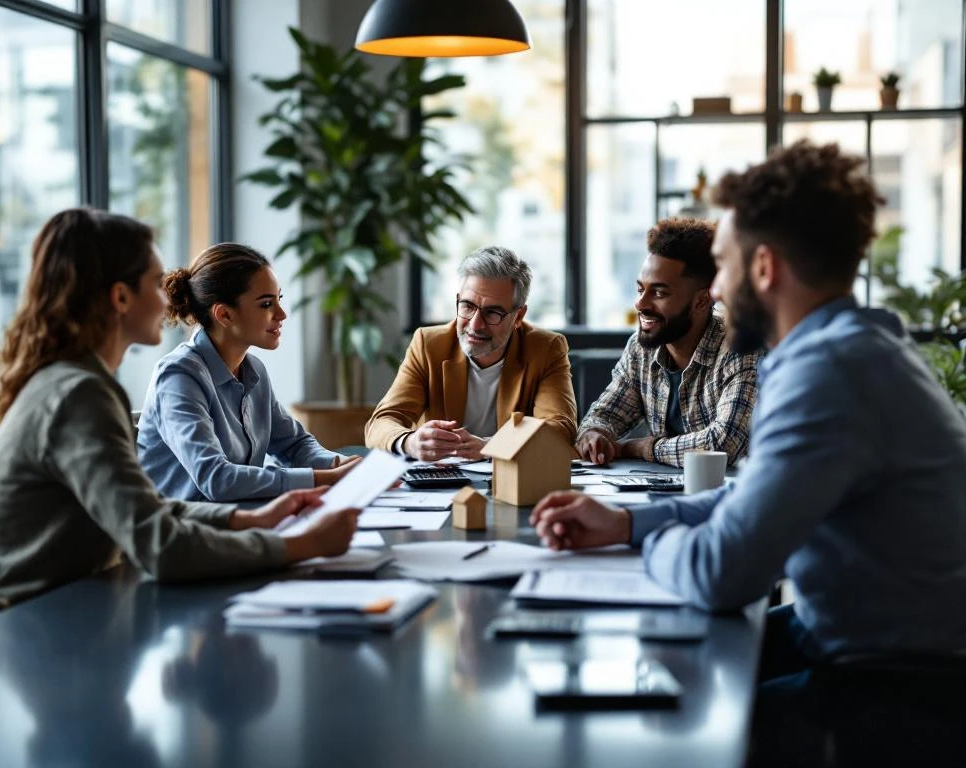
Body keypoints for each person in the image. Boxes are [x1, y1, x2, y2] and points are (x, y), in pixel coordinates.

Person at [531, 142, 966, 763]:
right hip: (867, 640)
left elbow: (721, 571)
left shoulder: (829, 372)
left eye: (725, 267)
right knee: (684, 675)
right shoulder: (859, 347)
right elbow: (748, 498)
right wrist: (625, 523)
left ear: (763, 268)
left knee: (673, 728)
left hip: (905, 687)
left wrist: (646, 549)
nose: (718, 288)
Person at [0, 209, 358, 603]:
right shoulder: (79, 395)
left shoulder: (82, 383)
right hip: (12, 625)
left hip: (70, 608)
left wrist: (244, 519)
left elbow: (144, 509)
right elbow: (162, 546)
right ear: (121, 297)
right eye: (155, 282)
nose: (169, 296)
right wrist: (300, 546)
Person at [137, 243, 358, 502]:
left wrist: (340, 465)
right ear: (225, 314)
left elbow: (294, 444)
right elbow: (216, 479)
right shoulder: (178, 377)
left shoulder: (254, 371)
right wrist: (323, 479)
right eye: (266, 304)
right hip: (189, 532)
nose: (282, 314)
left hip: (245, 520)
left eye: (279, 300)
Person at [576, 218, 760, 467]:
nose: (641, 304)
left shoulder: (739, 347)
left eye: (659, 293)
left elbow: (724, 444)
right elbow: (602, 416)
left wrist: (642, 448)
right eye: (641, 289)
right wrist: (594, 435)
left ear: (702, 301)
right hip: (661, 495)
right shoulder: (641, 348)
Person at [365, 246, 577, 461]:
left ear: (519, 316)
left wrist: (490, 447)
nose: (475, 325)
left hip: (510, 480)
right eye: (467, 306)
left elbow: (559, 429)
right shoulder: (429, 344)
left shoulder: (546, 348)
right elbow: (382, 422)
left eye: (492, 312)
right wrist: (410, 442)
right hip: (440, 480)